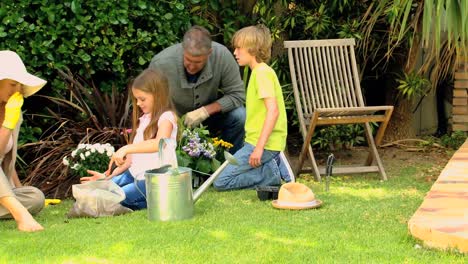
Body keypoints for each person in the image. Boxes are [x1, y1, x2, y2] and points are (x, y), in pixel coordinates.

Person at [81, 68, 178, 210]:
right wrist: (106, 178)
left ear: (158, 95)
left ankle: (161, 200)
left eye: (142, 99)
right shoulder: (144, 119)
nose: (138, 103)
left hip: (154, 181)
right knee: (100, 193)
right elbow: (131, 161)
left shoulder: (167, 117)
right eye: (136, 99)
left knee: (113, 200)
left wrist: (126, 148)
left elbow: (159, 143)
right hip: (133, 175)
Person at [214, 25, 290, 191]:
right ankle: (270, 168)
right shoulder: (258, 72)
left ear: (253, 49)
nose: (235, 53)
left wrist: (259, 148)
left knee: (220, 182)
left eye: (239, 48)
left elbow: (273, 111)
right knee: (220, 178)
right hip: (254, 143)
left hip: (263, 145)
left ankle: (272, 174)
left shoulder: (262, 73)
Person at [149, 25, 245, 153]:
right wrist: (170, 120)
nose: (192, 67)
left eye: (198, 62)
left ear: (209, 53)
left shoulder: (222, 56)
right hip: (173, 123)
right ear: (183, 50)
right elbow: (150, 102)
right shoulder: (160, 63)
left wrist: (205, 111)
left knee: (239, 116)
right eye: (188, 60)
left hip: (209, 119)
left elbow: (237, 95)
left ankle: (230, 165)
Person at [0, 50, 46, 232]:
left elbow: (5, 159)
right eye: (12, 84)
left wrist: (17, 190)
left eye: (20, 85)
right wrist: (7, 125)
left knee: (35, 197)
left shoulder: (12, 111)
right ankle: (21, 216)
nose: (17, 91)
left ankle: (14, 203)